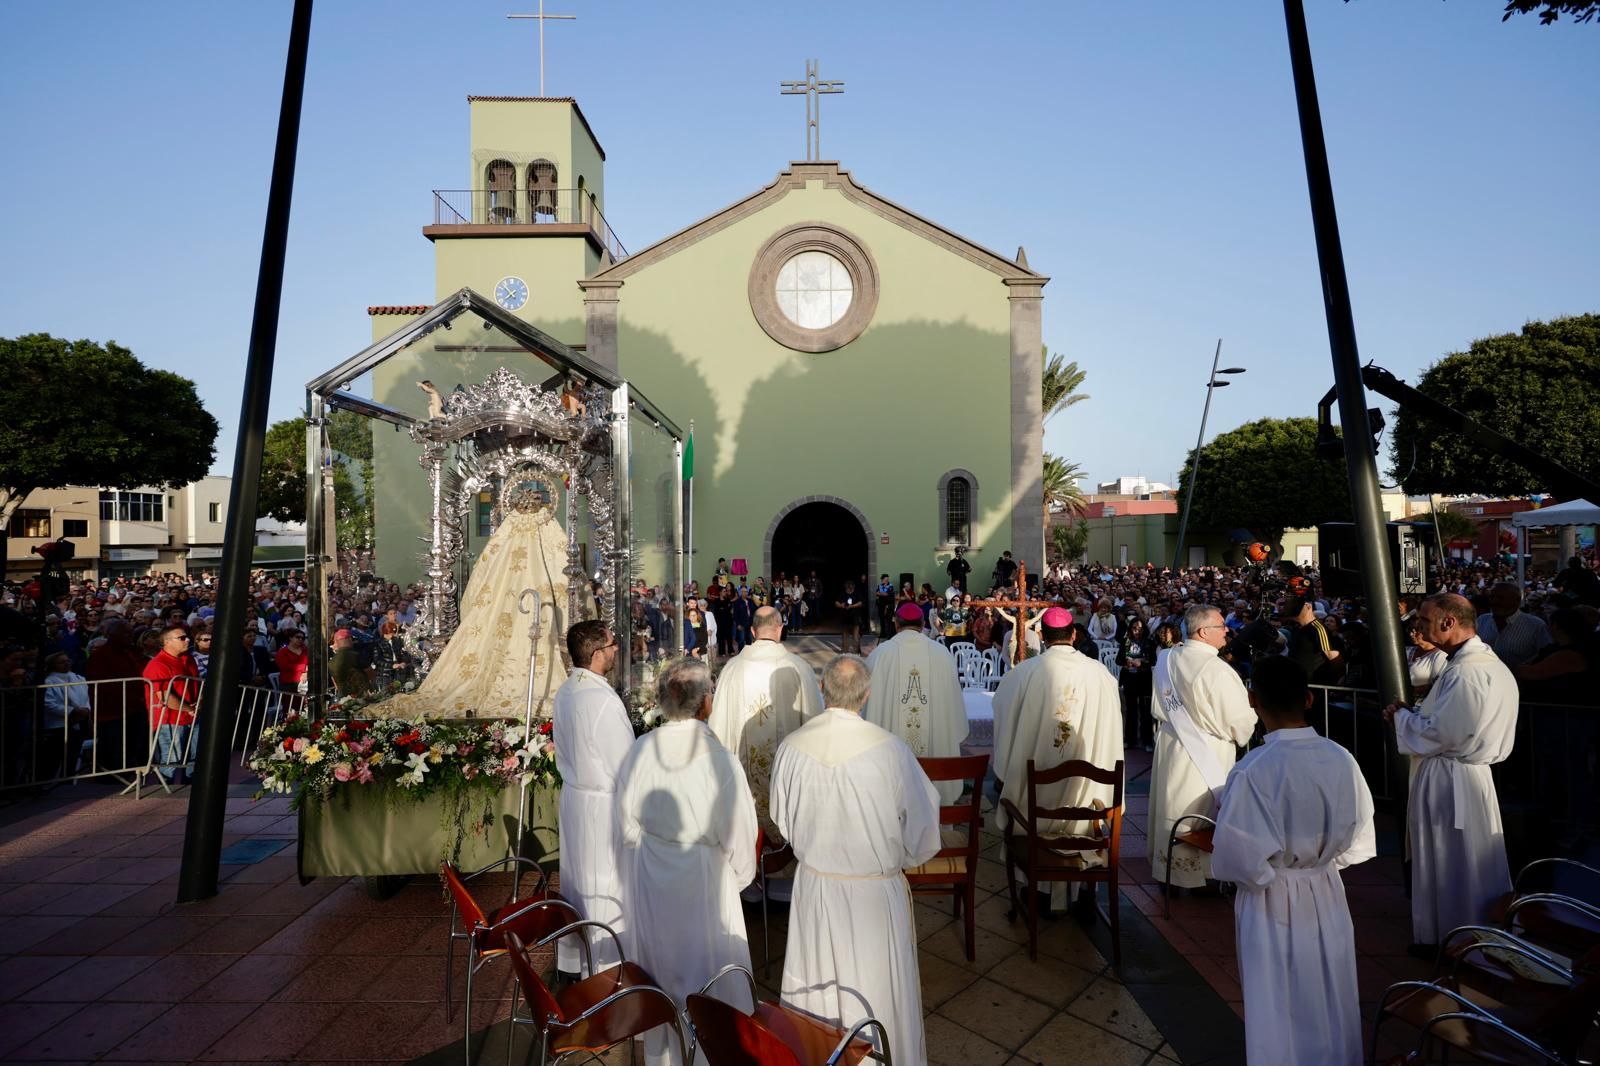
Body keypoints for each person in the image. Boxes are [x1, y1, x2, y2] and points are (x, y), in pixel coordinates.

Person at [770, 655, 940, 1066]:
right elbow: (923, 829)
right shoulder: (891, 750)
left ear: (823, 690)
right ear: (866, 695)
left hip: (817, 887)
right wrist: (895, 859)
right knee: (875, 988)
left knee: (817, 986)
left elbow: (783, 822)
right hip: (874, 892)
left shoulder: (792, 747)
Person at [1211, 656, 1375, 1066]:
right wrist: (1319, 866)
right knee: (1329, 985)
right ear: (1307, 699)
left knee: (1277, 996)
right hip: (1325, 887)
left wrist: (1280, 874)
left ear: (1253, 701)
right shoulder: (1341, 758)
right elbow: (1359, 837)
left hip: (1272, 892)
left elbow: (1236, 855)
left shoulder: (1253, 769)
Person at [614, 658, 757, 1066]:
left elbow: (624, 828)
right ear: (705, 704)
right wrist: (734, 881)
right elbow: (740, 841)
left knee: (663, 968)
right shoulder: (720, 761)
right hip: (704, 879)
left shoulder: (640, 750)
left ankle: (666, 1051)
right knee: (709, 974)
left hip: (652, 875)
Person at [1384, 593, 1518, 951]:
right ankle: (1464, 932)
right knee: (1467, 859)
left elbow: (1441, 733)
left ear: (1448, 622)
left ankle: (1451, 936)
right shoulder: (1483, 665)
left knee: (1449, 859)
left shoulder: (1467, 673)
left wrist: (1401, 716)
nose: (1421, 630)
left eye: (1425, 622)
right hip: (1466, 776)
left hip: (1451, 778)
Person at [991, 606, 1123, 913]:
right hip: (1088, 795)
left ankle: (1039, 891)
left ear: (1042, 636)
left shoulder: (1023, 673)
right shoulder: (1100, 675)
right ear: (1074, 635)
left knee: (1025, 804)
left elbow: (1002, 710)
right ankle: (1079, 891)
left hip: (1033, 800)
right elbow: (1114, 727)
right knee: (1084, 807)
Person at [1148, 605, 1256, 889]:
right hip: (1208, 750)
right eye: (1221, 626)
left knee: (1175, 806)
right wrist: (1247, 725)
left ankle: (1170, 871)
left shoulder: (1166, 659)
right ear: (1203, 632)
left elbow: (1159, 705)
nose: (1227, 630)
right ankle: (1205, 877)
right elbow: (1240, 721)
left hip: (1173, 744)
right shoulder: (1217, 670)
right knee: (1202, 811)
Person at [552, 620, 633, 976]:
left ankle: (576, 958)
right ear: (598, 653)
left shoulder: (568, 690)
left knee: (580, 881)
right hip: (602, 805)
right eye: (613, 644)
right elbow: (623, 764)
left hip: (575, 799)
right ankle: (606, 967)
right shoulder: (601, 699)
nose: (617, 649)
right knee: (605, 883)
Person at [706, 606, 822, 847]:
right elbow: (815, 726)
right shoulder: (799, 668)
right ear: (780, 628)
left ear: (752, 630)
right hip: (789, 782)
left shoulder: (733, 669)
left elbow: (717, 729)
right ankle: (784, 857)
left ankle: (751, 858)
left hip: (742, 787)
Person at [863, 601, 968, 803]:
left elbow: (868, 708)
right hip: (936, 763)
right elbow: (955, 712)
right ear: (922, 624)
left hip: (890, 770)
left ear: (896, 624)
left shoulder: (880, 655)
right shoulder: (942, 654)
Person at [142, 625, 201, 784]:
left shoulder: (188, 659)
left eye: (186, 636)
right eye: (181, 638)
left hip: (192, 716)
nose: (187, 639)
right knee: (171, 758)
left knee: (194, 756)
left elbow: (199, 683)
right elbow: (165, 696)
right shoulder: (158, 664)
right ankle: (164, 791)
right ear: (167, 642)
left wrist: (199, 703)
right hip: (170, 720)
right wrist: (190, 709)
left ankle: (190, 788)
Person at [1475, 581, 1552, 668]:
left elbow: (1545, 656)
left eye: (1501, 598)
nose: (1495, 601)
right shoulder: (1482, 620)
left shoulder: (1536, 625)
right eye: (1492, 597)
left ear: (1517, 601)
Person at [329, 628, 370, 697]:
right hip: (361, 694)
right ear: (349, 640)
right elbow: (370, 672)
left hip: (344, 696)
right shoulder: (356, 655)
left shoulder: (331, 662)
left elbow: (335, 683)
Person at [835, 580, 864, 654]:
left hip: (855, 618)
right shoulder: (842, 593)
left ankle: (857, 652)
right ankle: (844, 651)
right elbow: (836, 602)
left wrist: (852, 606)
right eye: (847, 589)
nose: (849, 590)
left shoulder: (857, 593)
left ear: (853, 588)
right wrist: (841, 605)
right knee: (845, 636)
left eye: (850, 588)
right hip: (845, 618)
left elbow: (861, 603)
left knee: (856, 636)